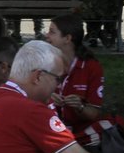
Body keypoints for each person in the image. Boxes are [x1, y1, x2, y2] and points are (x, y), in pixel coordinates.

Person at [44, 14, 108, 144]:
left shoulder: (91, 67)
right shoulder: (44, 62)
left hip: (80, 127)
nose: (47, 36)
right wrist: (48, 98)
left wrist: (80, 107)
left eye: (52, 32)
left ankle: (69, 142)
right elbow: (30, 101)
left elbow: (94, 113)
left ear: (67, 38)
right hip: (49, 123)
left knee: (109, 125)